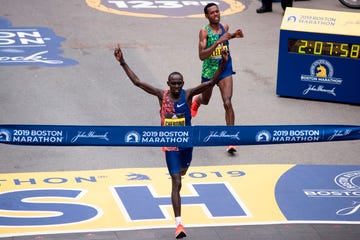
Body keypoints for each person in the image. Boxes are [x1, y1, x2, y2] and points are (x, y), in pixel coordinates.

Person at [114, 44, 228, 239]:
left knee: (182, 175)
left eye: (179, 83)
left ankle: (181, 171)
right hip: (170, 145)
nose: (176, 87)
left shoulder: (188, 93)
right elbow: (138, 82)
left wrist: (223, 64)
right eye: (173, 83)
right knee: (176, 181)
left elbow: (211, 83)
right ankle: (179, 224)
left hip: (187, 145)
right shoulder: (162, 95)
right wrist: (123, 62)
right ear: (168, 83)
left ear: (183, 84)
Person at [191, 2, 244, 154]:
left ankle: (230, 139)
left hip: (225, 69)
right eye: (212, 13)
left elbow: (227, 38)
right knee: (205, 100)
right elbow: (201, 56)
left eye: (217, 11)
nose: (216, 14)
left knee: (227, 102)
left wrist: (235, 35)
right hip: (209, 71)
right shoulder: (204, 32)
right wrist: (218, 42)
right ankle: (197, 101)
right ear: (207, 16)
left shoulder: (224, 27)